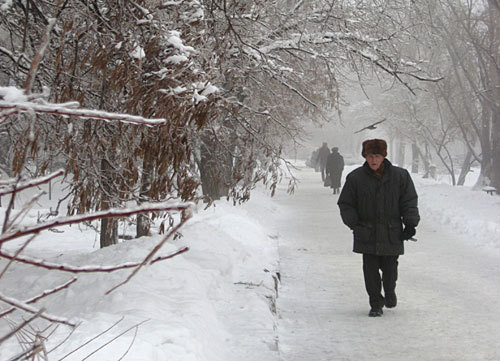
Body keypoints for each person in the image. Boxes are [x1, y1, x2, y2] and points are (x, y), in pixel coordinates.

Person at [337, 139, 420, 317]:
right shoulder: (355, 178)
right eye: (370, 156)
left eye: (377, 156)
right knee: (370, 271)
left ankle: (389, 291)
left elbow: (409, 201)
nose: (373, 160)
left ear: (383, 157)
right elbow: (345, 203)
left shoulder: (400, 176)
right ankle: (375, 302)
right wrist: (354, 223)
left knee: (390, 270)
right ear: (365, 157)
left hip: (392, 232)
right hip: (366, 233)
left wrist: (410, 224)